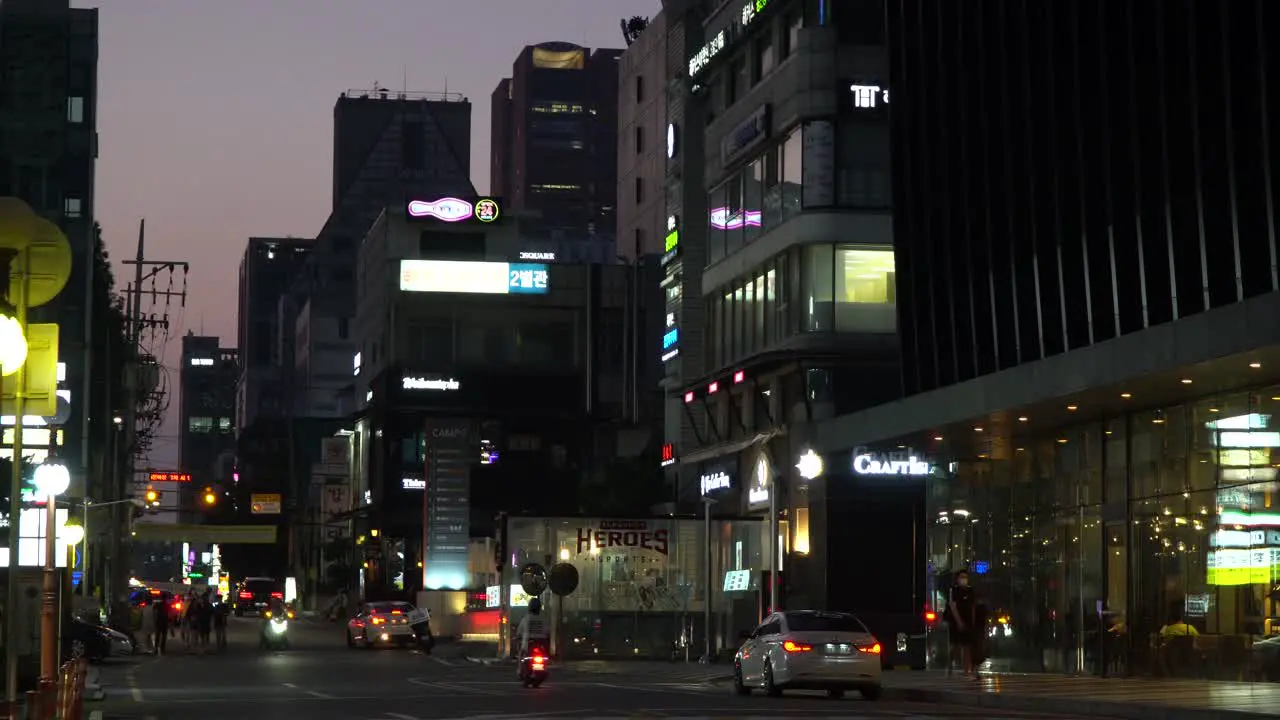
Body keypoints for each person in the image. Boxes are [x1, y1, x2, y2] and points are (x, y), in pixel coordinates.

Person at [946, 569, 977, 677]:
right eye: (962, 577)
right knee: (954, 646)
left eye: (965, 577)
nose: (964, 579)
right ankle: (949, 667)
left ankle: (966, 670)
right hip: (955, 621)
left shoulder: (970, 590)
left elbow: (973, 606)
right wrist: (959, 621)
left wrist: (973, 621)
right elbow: (952, 605)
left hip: (967, 620)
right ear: (958, 579)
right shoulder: (954, 590)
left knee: (967, 646)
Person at [515, 598, 550, 679]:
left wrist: (518, 637)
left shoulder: (526, 618)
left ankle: (520, 670)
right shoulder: (543, 618)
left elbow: (519, 632)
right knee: (545, 656)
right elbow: (548, 630)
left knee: (521, 654)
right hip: (542, 642)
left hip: (528, 642)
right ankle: (544, 668)